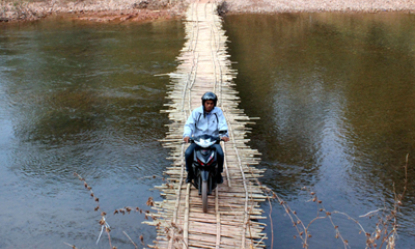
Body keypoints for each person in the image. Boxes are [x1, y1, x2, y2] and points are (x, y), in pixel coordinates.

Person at [183, 92, 230, 184]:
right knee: (188, 153)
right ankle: (190, 173)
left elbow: (222, 124)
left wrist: (224, 135)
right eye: (207, 103)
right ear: (203, 103)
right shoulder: (196, 112)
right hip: (198, 139)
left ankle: (219, 173)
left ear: (214, 104)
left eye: (211, 103)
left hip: (213, 139)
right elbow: (189, 125)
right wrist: (187, 135)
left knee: (220, 154)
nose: (209, 105)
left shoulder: (218, 112)